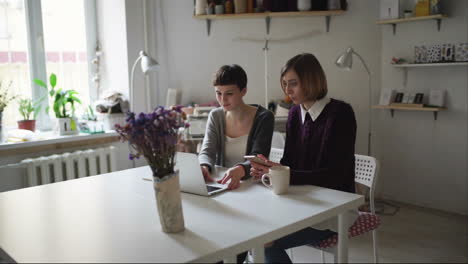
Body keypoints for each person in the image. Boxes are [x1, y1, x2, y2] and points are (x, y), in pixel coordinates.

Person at [250, 53, 358, 263]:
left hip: (334, 208)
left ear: (311, 80)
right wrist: (271, 169)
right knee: (251, 234)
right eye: (284, 84)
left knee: (263, 244)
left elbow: (335, 175)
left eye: (293, 84)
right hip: (301, 202)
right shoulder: (293, 114)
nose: (287, 91)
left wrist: (284, 175)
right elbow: (291, 164)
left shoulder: (341, 113)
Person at [198, 64, 274, 190]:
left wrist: (240, 169)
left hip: (254, 185)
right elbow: (207, 151)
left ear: (243, 91)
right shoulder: (215, 116)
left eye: (229, 93)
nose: (223, 100)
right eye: (218, 93)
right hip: (223, 183)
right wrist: (204, 166)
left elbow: (259, 157)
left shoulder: (264, 117)